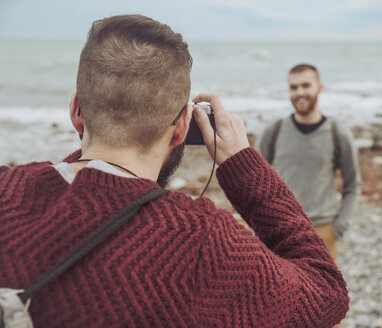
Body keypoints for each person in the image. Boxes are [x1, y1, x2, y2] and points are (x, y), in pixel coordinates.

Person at [0, 15, 349, 327]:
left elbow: (90, 192)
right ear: (182, 127)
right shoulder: (203, 241)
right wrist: (244, 165)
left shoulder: (6, 188)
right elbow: (326, 293)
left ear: (77, 110)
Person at [257, 64, 361, 261]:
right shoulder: (274, 131)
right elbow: (255, 182)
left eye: (306, 85)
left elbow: (352, 185)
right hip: (279, 230)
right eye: (293, 87)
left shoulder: (337, 133)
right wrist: (261, 224)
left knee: (324, 292)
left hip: (322, 231)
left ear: (319, 87)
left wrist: (339, 226)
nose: (299, 92)